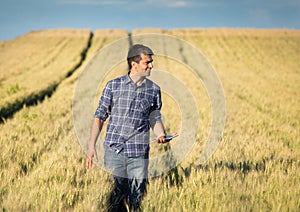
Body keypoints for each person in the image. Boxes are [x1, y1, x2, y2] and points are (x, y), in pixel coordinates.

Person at [86, 44, 173, 211]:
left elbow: (154, 117)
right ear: (134, 64)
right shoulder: (113, 86)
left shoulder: (154, 90)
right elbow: (100, 116)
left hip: (139, 153)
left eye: (151, 62)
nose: (151, 65)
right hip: (114, 151)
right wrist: (91, 146)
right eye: (147, 62)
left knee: (136, 199)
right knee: (115, 198)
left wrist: (161, 133)